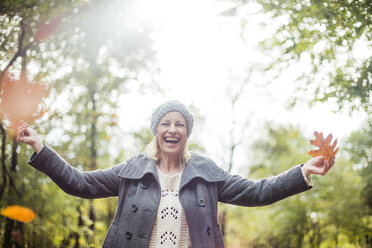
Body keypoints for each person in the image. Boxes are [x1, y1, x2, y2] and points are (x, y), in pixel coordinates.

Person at [17, 100, 335, 248]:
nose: (172, 129)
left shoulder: (205, 173)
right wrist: (41, 147)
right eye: (165, 123)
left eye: (179, 124)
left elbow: (256, 191)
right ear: (157, 131)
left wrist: (301, 172)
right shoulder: (132, 171)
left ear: (186, 133)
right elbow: (79, 183)